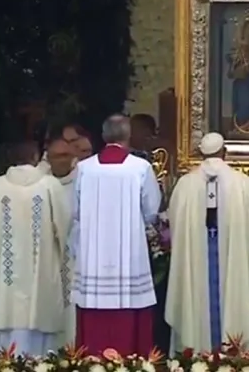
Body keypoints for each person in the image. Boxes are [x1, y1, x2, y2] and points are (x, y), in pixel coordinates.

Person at [165, 132, 249, 353]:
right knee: (233, 297)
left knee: (194, 301)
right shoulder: (240, 181)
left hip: (196, 256)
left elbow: (175, 219)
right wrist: (237, 236)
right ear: (224, 152)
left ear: (201, 153)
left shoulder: (186, 183)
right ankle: (233, 357)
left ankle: (195, 354)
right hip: (230, 253)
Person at [72, 114, 162, 355]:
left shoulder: (84, 168)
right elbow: (152, 210)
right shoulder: (141, 168)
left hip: (94, 260)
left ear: (103, 136)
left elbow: (75, 211)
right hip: (129, 259)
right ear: (128, 135)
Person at [0, 141, 71, 356]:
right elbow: (64, 225)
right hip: (43, 273)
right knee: (42, 335)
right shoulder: (50, 185)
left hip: (9, 275)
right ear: (36, 157)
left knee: (11, 337)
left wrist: (0, 255)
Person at [46, 137, 77, 347]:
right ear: (48, 159)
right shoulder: (40, 185)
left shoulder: (83, 180)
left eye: (66, 155)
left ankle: (73, 347)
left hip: (75, 254)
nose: (62, 161)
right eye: (57, 156)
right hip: (47, 255)